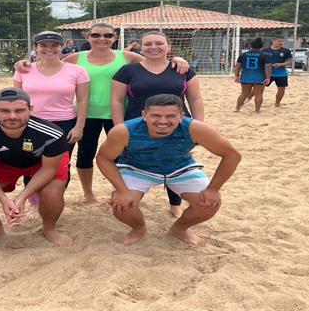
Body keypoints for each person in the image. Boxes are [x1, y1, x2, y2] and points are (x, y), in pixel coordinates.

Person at [14, 24, 189, 203]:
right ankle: (88, 193)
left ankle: (118, 191)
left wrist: (177, 58)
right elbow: (51, 63)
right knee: (85, 154)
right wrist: (23, 63)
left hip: (118, 113)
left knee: (121, 156)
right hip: (87, 114)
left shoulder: (126, 56)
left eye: (107, 35)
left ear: (114, 38)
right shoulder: (76, 58)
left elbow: (154, 59)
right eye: (96, 35)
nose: (101, 38)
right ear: (88, 37)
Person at [96, 94, 241, 245]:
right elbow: (103, 158)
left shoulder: (194, 128)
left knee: (208, 204)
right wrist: (121, 190)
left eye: (171, 116)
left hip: (180, 168)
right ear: (144, 115)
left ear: (181, 116)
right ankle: (138, 228)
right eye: (156, 116)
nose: (163, 121)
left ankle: (179, 229)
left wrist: (213, 189)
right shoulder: (124, 131)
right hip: (137, 168)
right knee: (122, 204)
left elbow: (232, 155)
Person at [0, 88, 72, 248]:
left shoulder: (52, 133)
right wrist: (3, 198)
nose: (12, 116)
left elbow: (49, 169)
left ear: (31, 109)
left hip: (42, 163)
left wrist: (22, 197)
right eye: (4, 111)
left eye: (19, 110)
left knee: (52, 194)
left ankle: (49, 229)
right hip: (2, 162)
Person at [111, 31, 205, 217]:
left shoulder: (182, 69)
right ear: (141, 47)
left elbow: (195, 99)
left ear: (168, 47)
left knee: (174, 159)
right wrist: (118, 126)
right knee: (132, 161)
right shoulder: (128, 71)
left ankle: (175, 204)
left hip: (177, 125)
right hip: (138, 126)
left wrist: (198, 126)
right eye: (148, 44)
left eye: (159, 43)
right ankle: (126, 194)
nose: (153, 47)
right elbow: (117, 101)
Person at [14, 31, 89, 210]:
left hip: (64, 123)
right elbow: (17, 101)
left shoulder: (77, 71)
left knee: (61, 165)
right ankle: (34, 203)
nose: (49, 49)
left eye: (54, 45)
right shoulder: (24, 70)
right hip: (31, 124)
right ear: (36, 48)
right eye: (43, 45)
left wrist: (79, 126)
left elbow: (83, 100)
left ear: (62, 47)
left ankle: (53, 201)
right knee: (31, 163)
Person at [234, 38, 271, 113]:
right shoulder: (265, 55)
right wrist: (268, 77)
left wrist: (236, 76)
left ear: (250, 46)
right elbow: (267, 67)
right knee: (258, 94)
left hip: (246, 76)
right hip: (259, 77)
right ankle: (257, 110)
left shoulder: (243, 55)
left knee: (244, 93)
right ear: (261, 46)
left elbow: (237, 66)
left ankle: (237, 108)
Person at [263, 36, 293, 107]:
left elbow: (290, 62)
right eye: (279, 41)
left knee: (282, 89)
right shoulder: (265, 50)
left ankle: (277, 103)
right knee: (258, 87)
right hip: (267, 73)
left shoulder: (286, 51)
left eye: (282, 41)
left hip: (281, 73)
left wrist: (281, 64)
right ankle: (248, 98)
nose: (281, 43)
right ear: (273, 41)